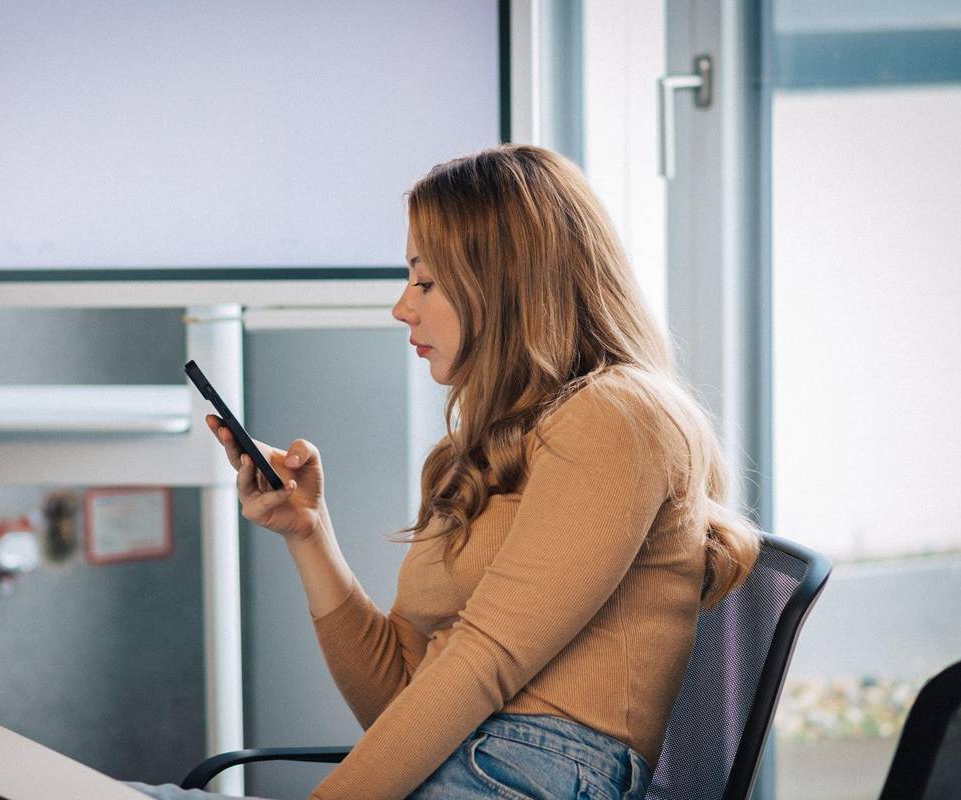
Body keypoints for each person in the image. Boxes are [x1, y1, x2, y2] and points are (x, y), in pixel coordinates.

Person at [129, 144, 761, 800]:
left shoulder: (620, 413)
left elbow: (484, 661)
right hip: (473, 764)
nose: (403, 308)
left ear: (508, 281)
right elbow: (398, 695)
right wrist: (307, 533)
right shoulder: (488, 449)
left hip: (534, 775)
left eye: (425, 282)